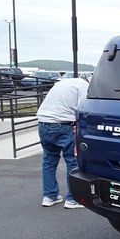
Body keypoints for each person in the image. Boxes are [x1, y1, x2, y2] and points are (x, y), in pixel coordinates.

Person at [37, 75, 90, 208]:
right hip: (63, 125)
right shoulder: (84, 86)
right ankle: (72, 199)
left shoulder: (62, 83)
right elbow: (83, 110)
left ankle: (49, 196)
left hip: (43, 123)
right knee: (72, 161)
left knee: (49, 160)